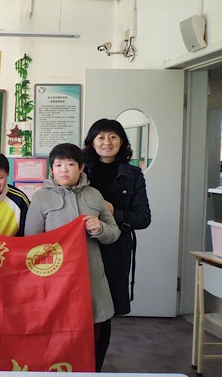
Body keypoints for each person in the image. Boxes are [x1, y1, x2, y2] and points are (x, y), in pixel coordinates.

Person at [24, 143, 121, 372]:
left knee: (97, 332)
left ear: (81, 167)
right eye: (58, 165)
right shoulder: (41, 198)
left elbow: (114, 233)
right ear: (51, 170)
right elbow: (31, 242)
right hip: (56, 283)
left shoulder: (94, 195)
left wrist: (100, 228)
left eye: (70, 164)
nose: (64, 170)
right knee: (60, 337)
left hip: (92, 280)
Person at [83, 118, 151, 371]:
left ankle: (96, 369)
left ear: (122, 141)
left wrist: (114, 213)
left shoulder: (133, 175)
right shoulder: (80, 169)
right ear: (92, 142)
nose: (107, 142)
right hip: (81, 248)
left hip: (115, 251)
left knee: (104, 313)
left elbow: (143, 218)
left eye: (113, 136)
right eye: (101, 137)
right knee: (78, 307)